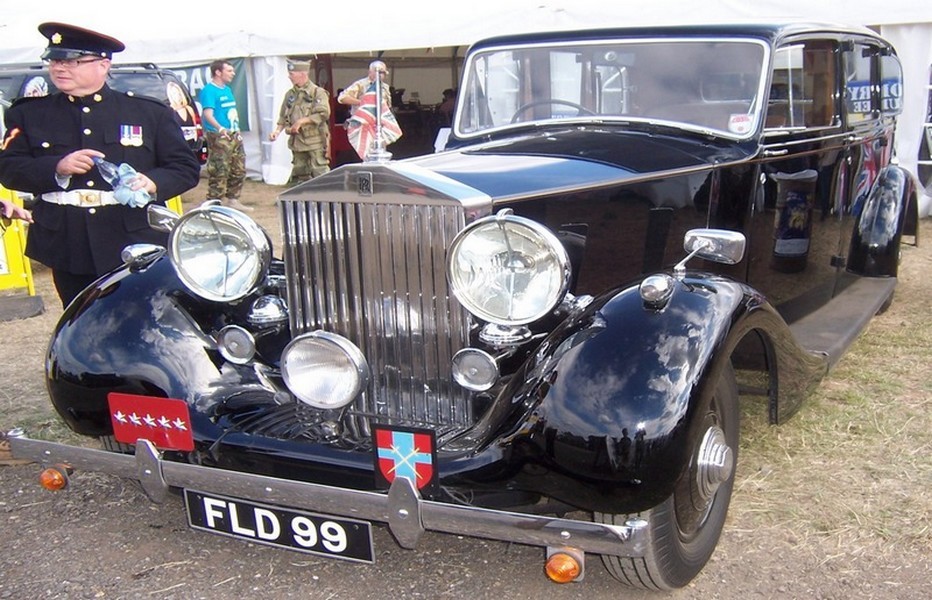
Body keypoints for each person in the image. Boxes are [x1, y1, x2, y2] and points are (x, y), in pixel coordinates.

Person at [0, 22, 200, 308]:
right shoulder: (30, 114)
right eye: (55, 60)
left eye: (73, 61)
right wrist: (57, 167)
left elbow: (184, 167)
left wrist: (152, 182)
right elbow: (8, 169)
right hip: (67, 241)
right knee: (81, 323)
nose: (59, 68)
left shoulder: (148, 112)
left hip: (131, 237)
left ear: (103, 64)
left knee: (138, 317)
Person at [269, 60, 331, 185]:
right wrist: (276, 132)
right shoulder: (290, 94)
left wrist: (302, 122)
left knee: (320, 170)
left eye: (292, 74)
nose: (289, 76)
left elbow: (323, 113)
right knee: (300, 172)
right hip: (297, 141)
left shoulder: (317, 93)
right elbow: (283, 117)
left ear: (302, 74)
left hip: (315, 141)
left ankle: (328, 196)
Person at [199, 59, 249, 211]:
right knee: (220, 169)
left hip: (233, 134)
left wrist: (236, 129)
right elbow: (208, 114)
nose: (233, 74)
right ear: (218, 72)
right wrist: (220, 129)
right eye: (229, 71)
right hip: (219, 136)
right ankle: (214, 203)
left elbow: (230, 113)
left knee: (239, 168)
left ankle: (233, 199)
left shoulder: (227, 89)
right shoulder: (209, 91)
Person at [337, 60, 402, 161]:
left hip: (379, 126)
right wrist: (362, 102)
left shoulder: (384, 87)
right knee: (364, 155)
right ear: (370, 72)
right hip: (363, 126)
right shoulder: (361, 84)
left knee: (380, 154)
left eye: (383, 73)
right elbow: (342, 98)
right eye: (379, 72)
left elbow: (387, 106)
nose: (381, 75)